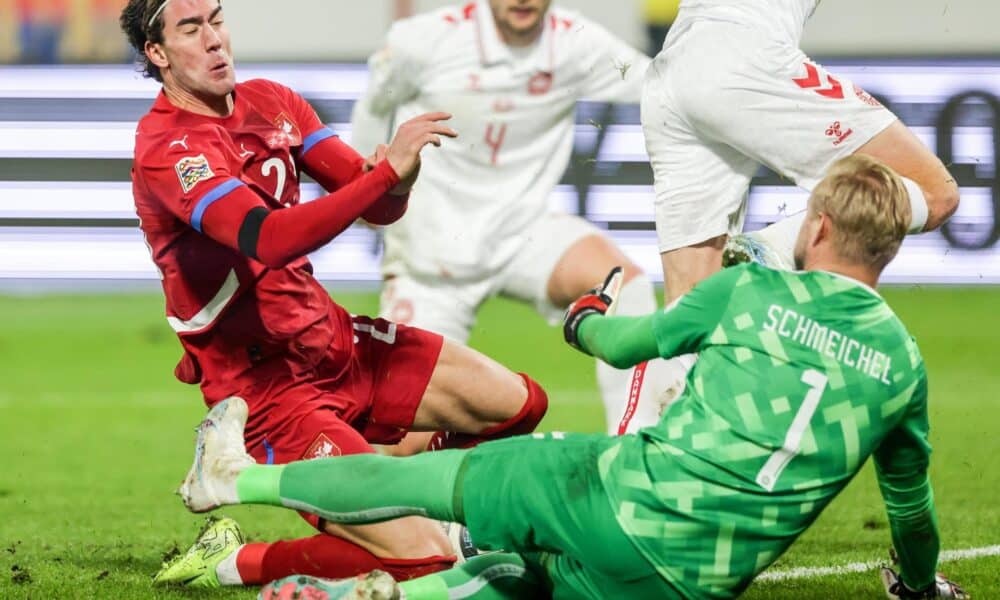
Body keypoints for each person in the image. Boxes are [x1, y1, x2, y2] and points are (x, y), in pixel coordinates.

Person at [175, 156, 967, 599]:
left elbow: (627, 345)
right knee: (525, 581)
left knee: (428, 483)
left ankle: (237, 483)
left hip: (615, 497)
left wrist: (584, 316)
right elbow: (914, 511)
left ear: (818, 226)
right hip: (686, 588)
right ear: (891, 250)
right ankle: (375, 597)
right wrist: (920, 588)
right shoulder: (902, 365)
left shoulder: (751, 288)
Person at [120, 0, 550, 589]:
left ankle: (408, 497)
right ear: (158, 54)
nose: (215, 39)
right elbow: (266, 238)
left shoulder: (272, 101)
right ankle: (232, 562)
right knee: (424, 561)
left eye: (217, 20)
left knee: (520, 404)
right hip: (266, 393)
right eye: (191, 29)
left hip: (338, 343)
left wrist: (400, 177)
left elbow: (378, 204)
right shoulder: (169, 149)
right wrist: (382, 175)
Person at [352, 0, 685, 438]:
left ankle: (636, 449)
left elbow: (663, 86)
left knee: (624, 283)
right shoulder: (423, 41)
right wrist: (363, 188)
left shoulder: (574, 41)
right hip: (431, 260)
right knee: (403, 445)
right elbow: (374, 107)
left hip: (523, 234)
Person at [641, 0, 961, 387]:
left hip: (673, 67)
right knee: (935, 192)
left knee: (689, 316)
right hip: (746, 51)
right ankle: (765, 255)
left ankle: (664, 440)